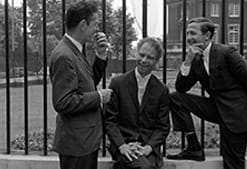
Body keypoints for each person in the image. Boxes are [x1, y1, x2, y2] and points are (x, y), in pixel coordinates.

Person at [166, 17, 247, 169]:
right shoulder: (196, 60)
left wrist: (241, 106)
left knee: (232, 163)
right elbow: (181, 88)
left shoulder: (226, 53)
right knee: (176, 98)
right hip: (217, 108)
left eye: (193, 33)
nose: (189, 38)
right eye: (187, 33)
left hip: (237, 114)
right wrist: (187, 62)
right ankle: (193, 147)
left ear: (207, 35)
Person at [49, 1, 112, 169]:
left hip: (84, 141)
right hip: (77, 144)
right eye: (95, 24)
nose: (97, 29)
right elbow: (63, 102)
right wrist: (99, 96)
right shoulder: (65, 55)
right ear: (83, 24)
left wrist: (100, 56)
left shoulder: (75, 50)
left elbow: (88, 83)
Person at [105, 37, 170, 169]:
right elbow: (109, 120)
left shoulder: (161, 90)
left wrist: (148, 147)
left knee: (146, 165)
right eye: (141, 55)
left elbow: (163, 127)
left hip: (147, 148)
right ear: (136, 53)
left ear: (157, 62)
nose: (144, 60)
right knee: (144, 167)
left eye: (150, 57)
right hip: (123, 145)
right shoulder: (118, 83)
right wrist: (122, 145)